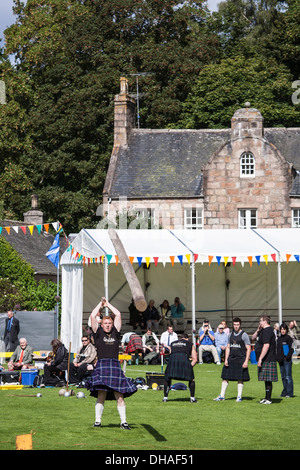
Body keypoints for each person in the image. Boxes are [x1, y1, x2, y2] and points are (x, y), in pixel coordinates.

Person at [86, 297, 137, 430]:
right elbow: (92, 315)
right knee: (101, 394)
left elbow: (119, 314)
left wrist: (108, 304)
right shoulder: (97, 333)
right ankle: (97, 421)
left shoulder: (116, 332)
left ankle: (124, 422)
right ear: (101, 325)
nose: (108, 325)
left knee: (119, 395)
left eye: (109, 323)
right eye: (106, 323)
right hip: (102, 364)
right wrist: (100, 305)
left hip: (114, 365)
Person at [214, 318, 251, 402]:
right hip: (231, 359)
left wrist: (246, 361)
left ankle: (239, 397)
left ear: (240, 325)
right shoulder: (230, 335)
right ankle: (221, 396)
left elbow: (248, 349)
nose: (236, 326)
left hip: (240, 359)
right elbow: (228, 347)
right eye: (234, 325)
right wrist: (226, 359)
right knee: (225, 377)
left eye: (237, 325)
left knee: (240, 379)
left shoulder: (244, 335)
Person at [162, 333, 198, 403]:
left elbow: (170, 354)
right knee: (191, 379)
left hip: (172, 361)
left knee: (167, 378)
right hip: (184, 360)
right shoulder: (190, 343)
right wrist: (189, 367)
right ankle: (192, 398)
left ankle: (165, 398)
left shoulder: (172, 343)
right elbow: (195, 359)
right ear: (187, 339)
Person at [255, 315, 278, 404]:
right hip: (266, 359)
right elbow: (253, 338)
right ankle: (266, 397)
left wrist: (260, 358)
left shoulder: (268, 331)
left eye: (261, 321)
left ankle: (269, 399)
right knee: (266, 379)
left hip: (268, 358)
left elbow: (266, 345)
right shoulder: (263, 331)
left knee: (268, 379)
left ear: (265, 321)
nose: (260, 323)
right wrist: (258, 330)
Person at [276, 323, 294, 398]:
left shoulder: (288, 338)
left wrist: (287, 357)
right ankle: (284, 392)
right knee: (283, 377)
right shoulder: (279, 339)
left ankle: (290, 393)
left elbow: (292, 349)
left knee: (288, 377)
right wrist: (277, 358)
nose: (283, 331)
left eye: (284, 329)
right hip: (280, 361)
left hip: (287, 360)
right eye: (281, 329)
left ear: (286, 330)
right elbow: (277, 349)